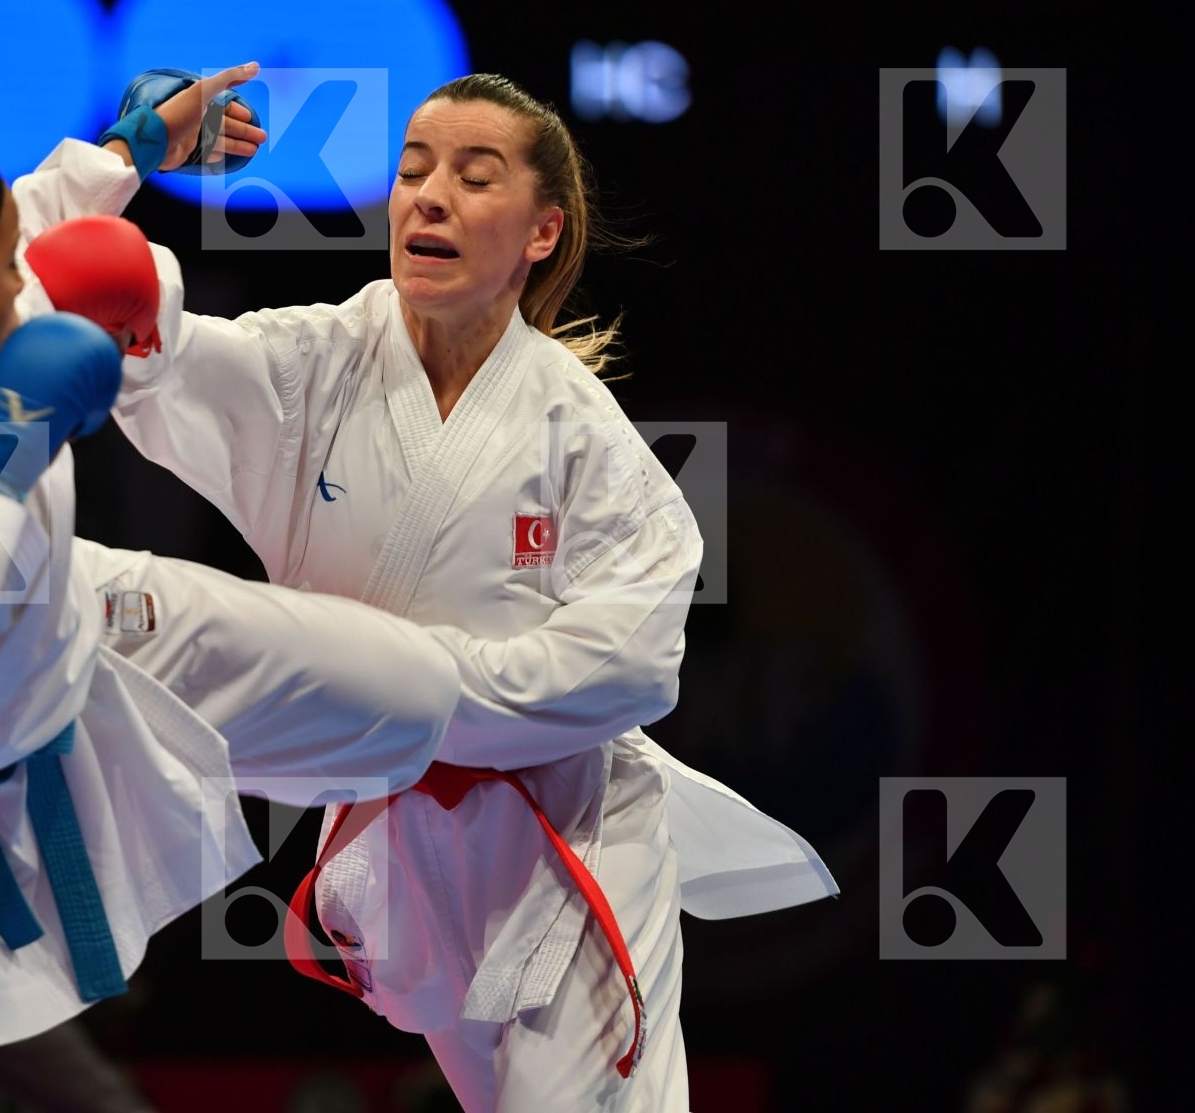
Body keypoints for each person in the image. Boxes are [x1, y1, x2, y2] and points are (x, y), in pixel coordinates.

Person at [43, 67, 839, 1111]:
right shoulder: (309, 366)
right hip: (403, 850)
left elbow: (634, 667)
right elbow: (88, 303)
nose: (429, 197)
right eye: (414, 170)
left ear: (542, 232)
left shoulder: (578, 432)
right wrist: (118, 162)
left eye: (474, 176)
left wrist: (395, 690)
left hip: (569, 838)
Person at [0, 84, 467, 1112]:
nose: (26, 274)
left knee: (418, 690)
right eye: (3, 265)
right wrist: (0, 454)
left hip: (73, 624)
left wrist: (131, 147)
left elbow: (33, 219)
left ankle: (559, 772)